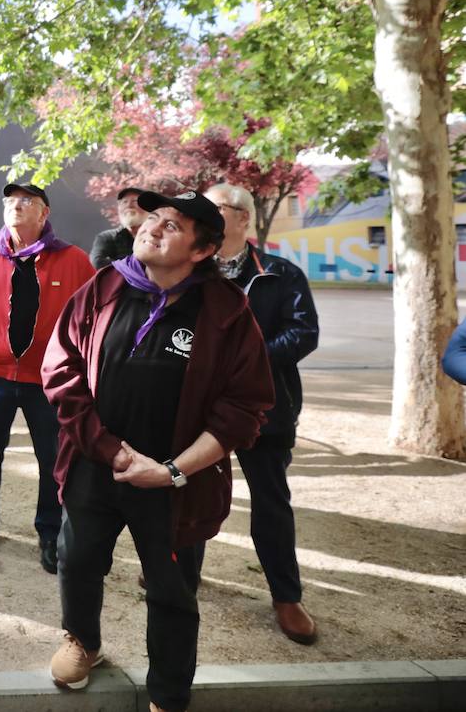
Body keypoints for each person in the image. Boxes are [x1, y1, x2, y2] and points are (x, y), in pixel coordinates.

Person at [42, 190, 274, 712]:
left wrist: (170, 470)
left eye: (172, 225)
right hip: (96, 464)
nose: (152, 227)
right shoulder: (105, 285)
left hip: (177, 480)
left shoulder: (226, 310)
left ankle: (168, 690)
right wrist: (111, 451)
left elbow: (245, 407)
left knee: (171, 587)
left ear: (201, 250)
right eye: (153, 218)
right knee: (76, 559)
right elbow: (60, 369)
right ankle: (83, 641)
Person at [0, 184, 93, 571]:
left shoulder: (73, 260)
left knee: (52, 459)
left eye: (26, 201)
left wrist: (78, 375)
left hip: (47, 379)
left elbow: (89, 321)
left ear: (44, 213)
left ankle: (50, 531)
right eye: (10, 201)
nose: (16, 206)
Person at [203, 183, 320, 644]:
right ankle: (177, 573)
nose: (206, 216)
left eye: (215, 210)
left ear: (242, 218)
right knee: (188, 491)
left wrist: (244, 363)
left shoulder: (280, 273)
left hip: (265, 408)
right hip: (199, 409)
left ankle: (286, 596)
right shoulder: (192, 271)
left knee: (270, 503)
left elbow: (303, 334)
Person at [89, 187, 147, 268]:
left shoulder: (155, 237)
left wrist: (117, 263)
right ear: (119, 209)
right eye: (124, 202)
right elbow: (97, 262)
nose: (129, 205)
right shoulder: (107, 237)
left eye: (135, 201)